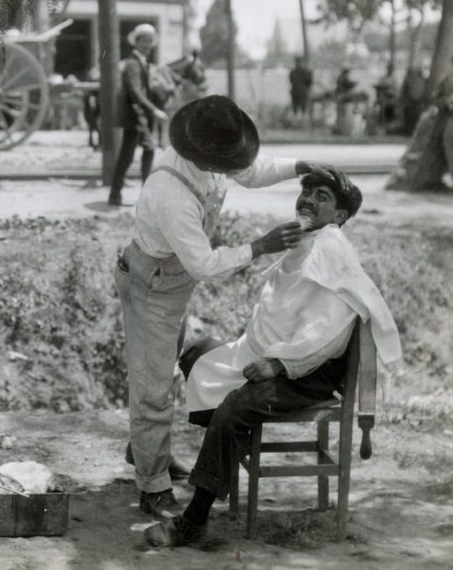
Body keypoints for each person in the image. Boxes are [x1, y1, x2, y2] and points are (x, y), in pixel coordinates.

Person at [144, 168, 402, 547]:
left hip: (307, 371)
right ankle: (225, 457)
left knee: (233, 409)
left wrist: (279, 364)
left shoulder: (331, 249)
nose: (309, 199)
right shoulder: (304, 241)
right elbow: (281, 311)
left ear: (340, 216)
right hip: (275, 354)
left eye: (322, 197)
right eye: (307, 191)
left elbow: (326, 332)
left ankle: (194, 520)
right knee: (197, 352)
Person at [115, 94, 324, 519]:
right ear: (204, 155)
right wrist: (259, 246)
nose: (236, 170)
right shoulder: (169, 191)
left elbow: (251, 170)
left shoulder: (209, 154)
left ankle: (144, 452)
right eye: (229, 163)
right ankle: (152, 487)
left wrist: (300, 166)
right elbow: (206, 265)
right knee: (152, 383)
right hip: (152, 283)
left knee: (163, 369)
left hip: (173, 281)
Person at [108, 24, 166, 206]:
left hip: (142, 117)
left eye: (150, 41)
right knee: (127, 156)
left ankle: (145, 195)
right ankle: (115, 195)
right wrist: (154, 109)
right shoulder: (133, 63)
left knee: (148, 150)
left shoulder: (144, 63)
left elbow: (147, 91)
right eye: (144, 41)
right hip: (134, 116)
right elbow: (135, 91)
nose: (147, 45)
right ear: (137, 41)